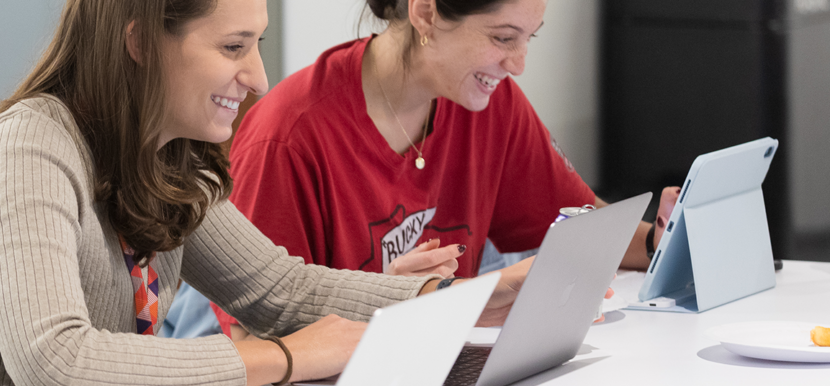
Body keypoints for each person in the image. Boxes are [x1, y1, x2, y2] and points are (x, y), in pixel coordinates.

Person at [0, 0, 529, 386]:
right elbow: (57, 364)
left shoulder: (164, 152)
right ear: (139, 42)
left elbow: (278, 289)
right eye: (232, 48)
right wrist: (287, 358)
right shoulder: (24, 149)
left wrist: (459, 297)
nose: (259, 79)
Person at [183, 0, 667, 339]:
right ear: (426, 13)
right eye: (502, 38)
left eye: (527, 40)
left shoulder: (485, 103)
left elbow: (578, 221)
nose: (518, 64)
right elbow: (257, 328)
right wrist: (400, 302)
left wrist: (659, 240)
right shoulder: (287, 137)